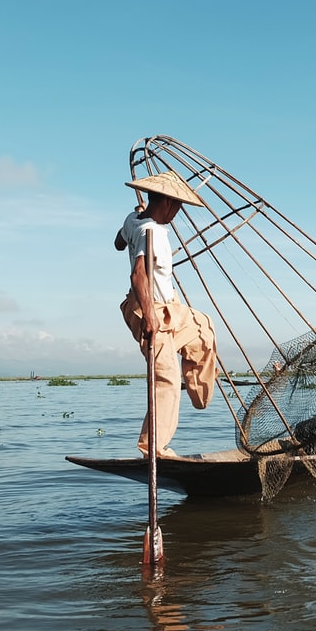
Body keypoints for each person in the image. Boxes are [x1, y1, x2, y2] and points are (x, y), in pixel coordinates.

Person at [114, 170, 218, 457]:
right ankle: (153, 448)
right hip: (150, 307)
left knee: (202, 327)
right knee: (166, 381)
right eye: (177, 207)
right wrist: (149, 317)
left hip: (168, 305)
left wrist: (134, 221)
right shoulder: (153, 231)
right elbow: (138, 275)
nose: (176, 213)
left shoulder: (133, 220)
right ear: (168, 204)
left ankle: (199, 392)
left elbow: (118, 242)